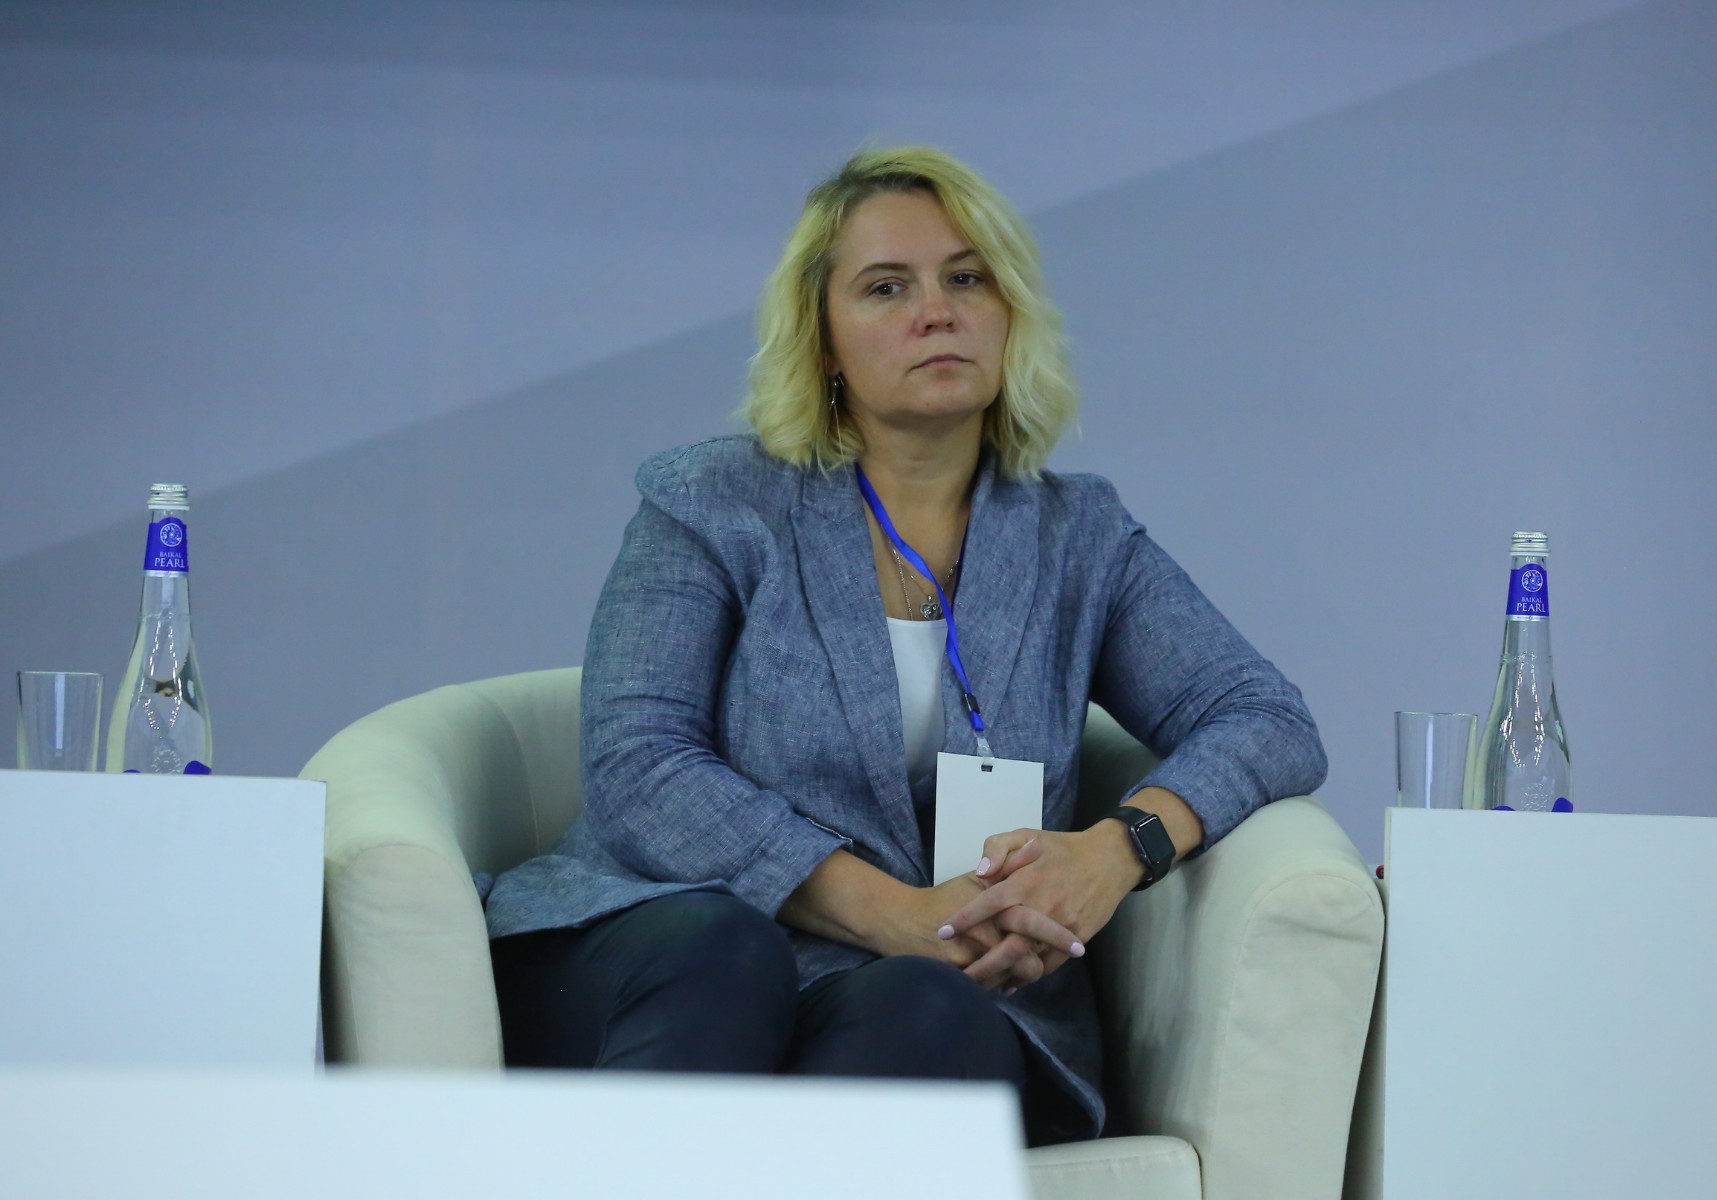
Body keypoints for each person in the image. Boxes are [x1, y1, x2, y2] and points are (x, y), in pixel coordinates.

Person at [481, 145, 1327, 1145]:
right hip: (675, 945)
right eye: (887, 287)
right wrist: (892, 913)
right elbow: (639, 761)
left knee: (925, 1011)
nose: (937, 311)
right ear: (824, 341)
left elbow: (1265, 718)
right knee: (727, 951)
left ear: (1009, 313)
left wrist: (1115, 851)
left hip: (926, 990)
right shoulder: (715, 501)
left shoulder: (1079, 538)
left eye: (967, 279)